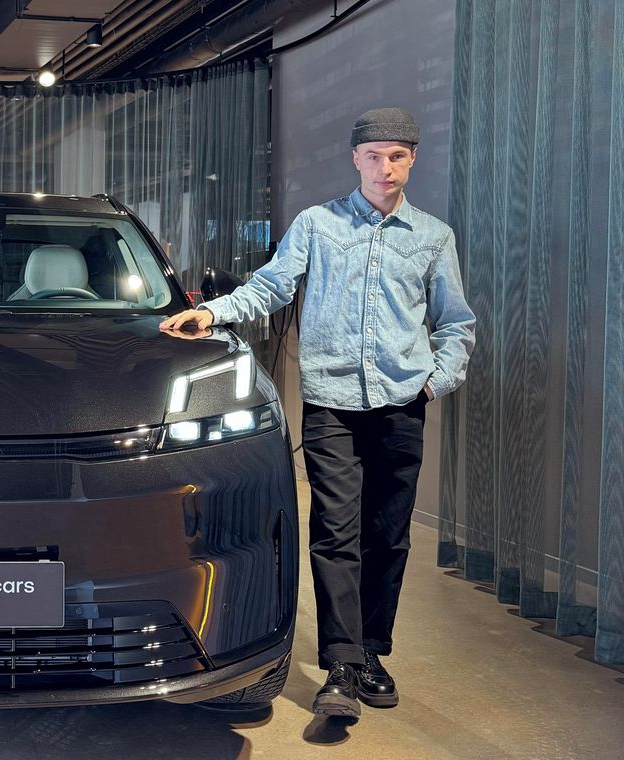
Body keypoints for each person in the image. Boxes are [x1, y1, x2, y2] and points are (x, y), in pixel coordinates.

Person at [160, 107, 476, 718]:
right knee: (335, 531)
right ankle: (341, 666)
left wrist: (433, 383)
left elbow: (455, 322)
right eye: (374, 156)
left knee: (387, 535)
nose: (386, 168)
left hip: (401, 403)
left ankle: (372, 652)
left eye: (398, 156)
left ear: (413, 160)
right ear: (356, 159)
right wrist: (214, 312)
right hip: (332, 402)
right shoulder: (318, 224)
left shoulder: (433, 236)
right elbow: (271, 286)